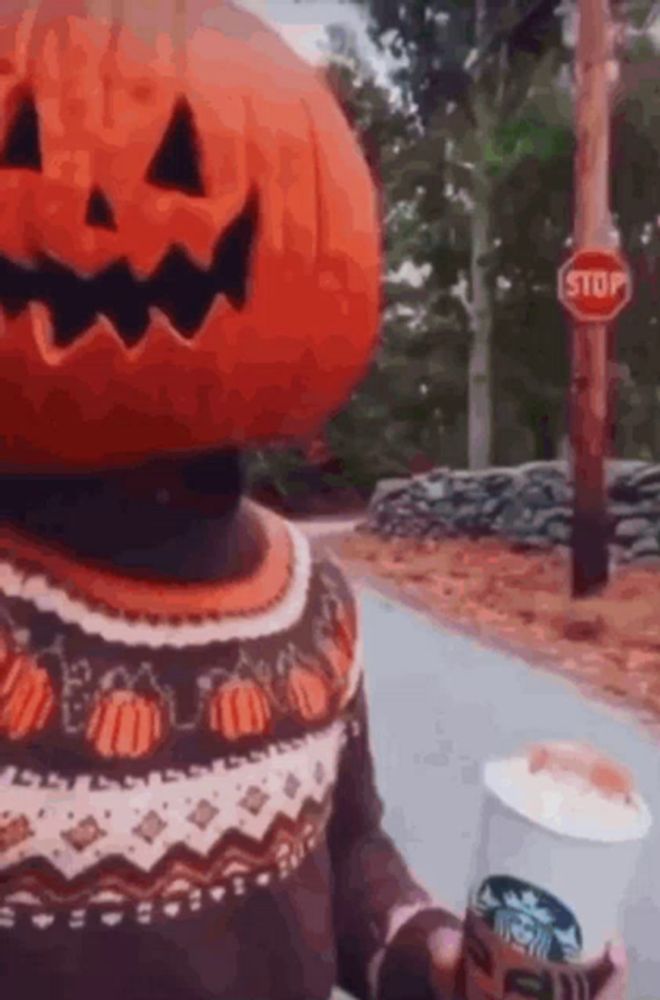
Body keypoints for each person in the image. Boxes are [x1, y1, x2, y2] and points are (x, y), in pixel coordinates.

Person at [0, 1, 627, 998]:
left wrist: (439, 961)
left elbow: (346, 857)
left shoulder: (309, 599)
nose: (102, 216)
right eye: (26, 141)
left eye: (178, 164)